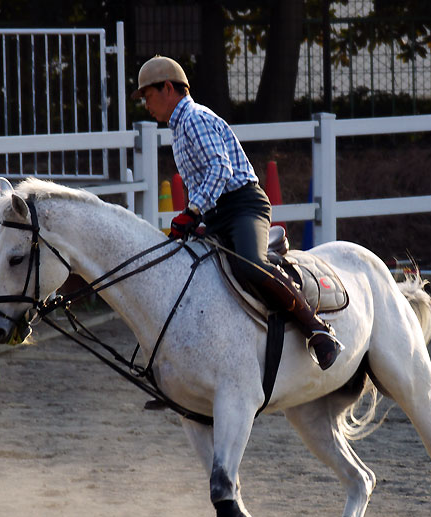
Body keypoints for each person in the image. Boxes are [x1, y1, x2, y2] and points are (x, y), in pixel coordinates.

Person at [131, 55, 342, 370]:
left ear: (167, 88)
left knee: (250, 265)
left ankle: (317, 330)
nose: (146, 104)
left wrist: (192, 211)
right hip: (218, 213)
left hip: (243, 205)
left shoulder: (193, 118)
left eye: (147, 95)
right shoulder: (179, 129)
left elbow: (220, 168)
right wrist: (196, 219)